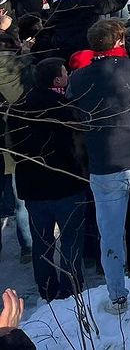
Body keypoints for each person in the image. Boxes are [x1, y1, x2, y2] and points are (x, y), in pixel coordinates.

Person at [66, 19, 130, 314]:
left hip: (104, 163)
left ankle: (117, 294)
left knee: (110, 230)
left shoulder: (78, 78)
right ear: (119, 40)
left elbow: (74, 110)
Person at [6, 58, 87, 301]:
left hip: (33, 188)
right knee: (71, 240)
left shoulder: (17, 108)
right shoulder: (65, 107)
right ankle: (71, 288)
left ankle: (47, 288)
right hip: (66, 186)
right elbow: (78, 148)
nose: (68, 75)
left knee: (42, 242)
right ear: (57, 79)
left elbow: (13, 148)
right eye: (65, 72)